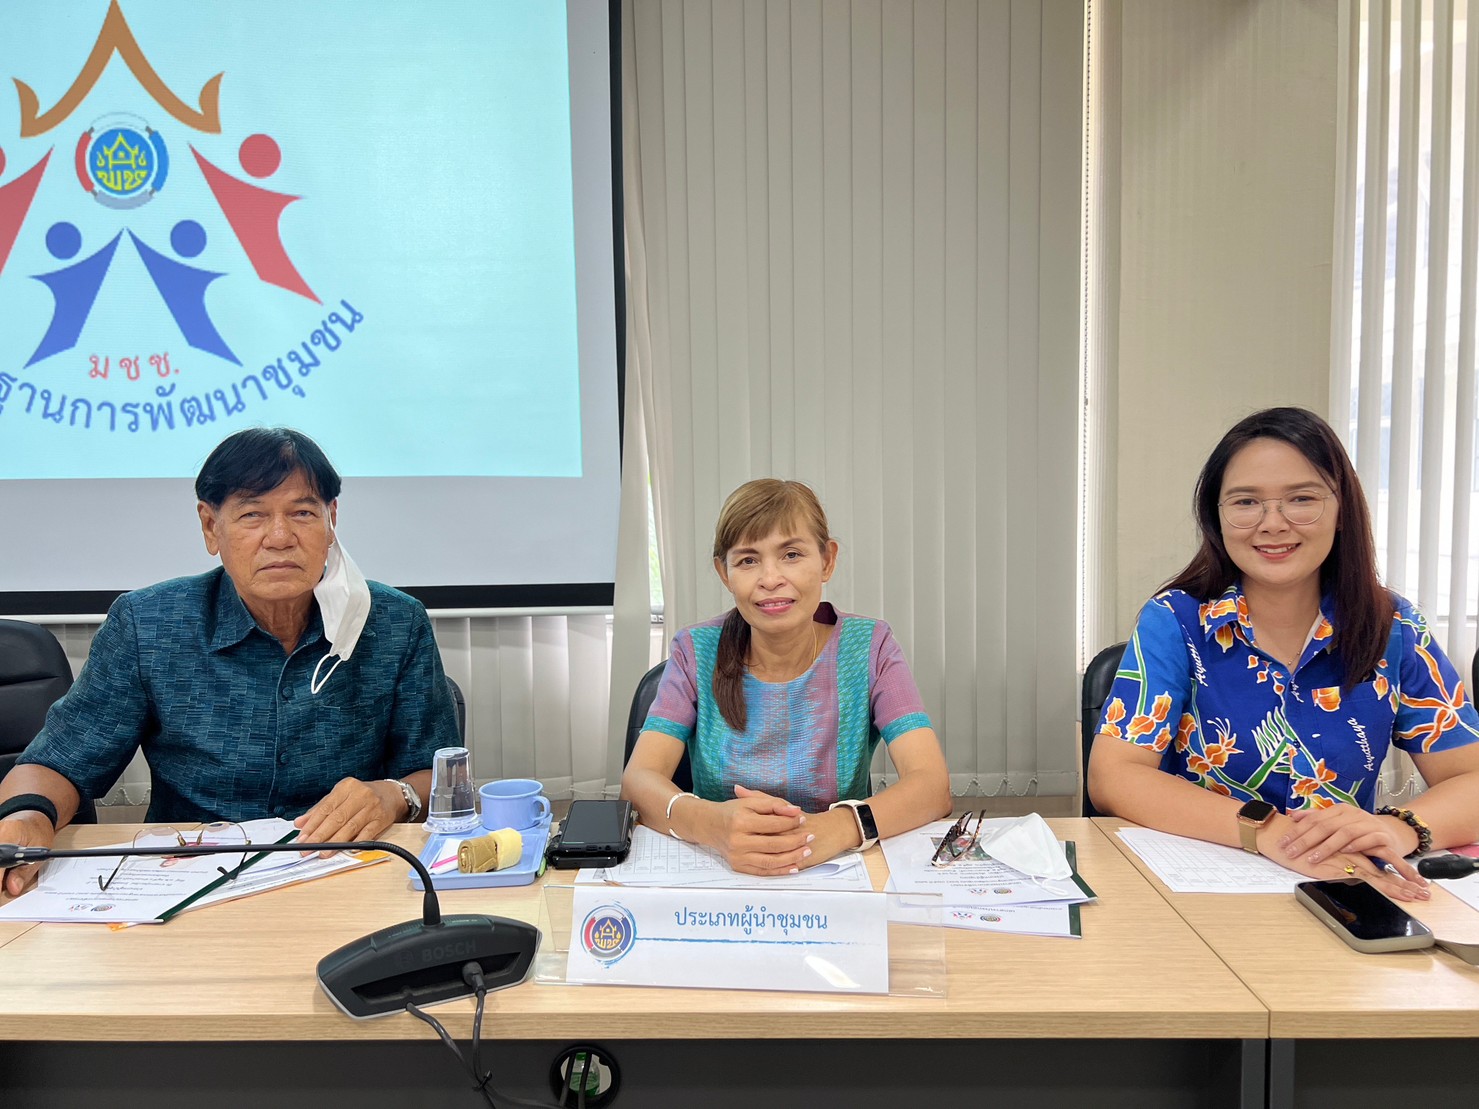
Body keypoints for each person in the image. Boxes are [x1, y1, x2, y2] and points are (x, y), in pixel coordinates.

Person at [0, 427, 459, 896]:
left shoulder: (396, 622)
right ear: (209, 526)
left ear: (331, 519)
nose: (280, 538)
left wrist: (394, 795)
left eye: (302, 513)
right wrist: (26, 816)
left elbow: (437, 772)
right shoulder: (148, 624)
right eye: (252, 514)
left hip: (349, 871)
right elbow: (59, 761)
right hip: (187, 881)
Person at [1088, 407, 1479, 902]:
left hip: (1343, 885)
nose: (1272, 524)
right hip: (1201, 886)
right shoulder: (1177, 619)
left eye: (1302, 499)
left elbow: (1471, 777)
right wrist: (1266, 830)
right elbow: (1114, 774)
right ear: (1217, 517)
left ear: (1341, 513)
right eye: (1246, 502)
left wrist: (1396, 830)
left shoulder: (1393, 627)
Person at [621, 478, 951, 876]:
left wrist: (838, 827)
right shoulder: (695, 651)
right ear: (724, 573)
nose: (771, 578)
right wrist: (712, 825)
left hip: (838, 866)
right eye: (747, 560)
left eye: (791, 554)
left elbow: (931, 784)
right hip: (721, 869)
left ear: (827, 560)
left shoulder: (870, 646)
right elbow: (639, 779)